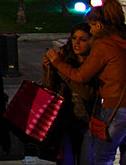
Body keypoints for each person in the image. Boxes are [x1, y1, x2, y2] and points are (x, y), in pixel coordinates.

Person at [46, 0, 126, 165]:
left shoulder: (104, 44)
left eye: (91, 26)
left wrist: (57, 62)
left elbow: (81, 76)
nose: (90, 31)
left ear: (99, 25)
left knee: (103, 158)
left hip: (115, 108)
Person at [42, 22, 95, 165]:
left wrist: (61, 68)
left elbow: (87, 93)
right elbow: (49, 88)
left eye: (82, 40)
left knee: (86, 159)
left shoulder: (93, 63)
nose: (76, 43)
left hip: (88, 121)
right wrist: (49, 69)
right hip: (65, 120)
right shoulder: (65, 59)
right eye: (74, 38)